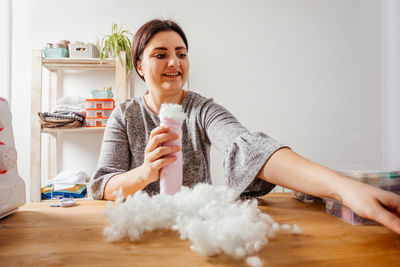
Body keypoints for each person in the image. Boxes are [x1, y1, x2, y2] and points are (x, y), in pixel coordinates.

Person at [89, 19, 400, 234]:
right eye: (161, 55)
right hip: (141, 236)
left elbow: (248, 147)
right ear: (140, 66)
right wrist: (146, 172)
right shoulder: (124, 115)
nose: (175, 63)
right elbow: (102, 185)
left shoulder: (202, 109)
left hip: (194, 231)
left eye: (181, 54)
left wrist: (345, 188)